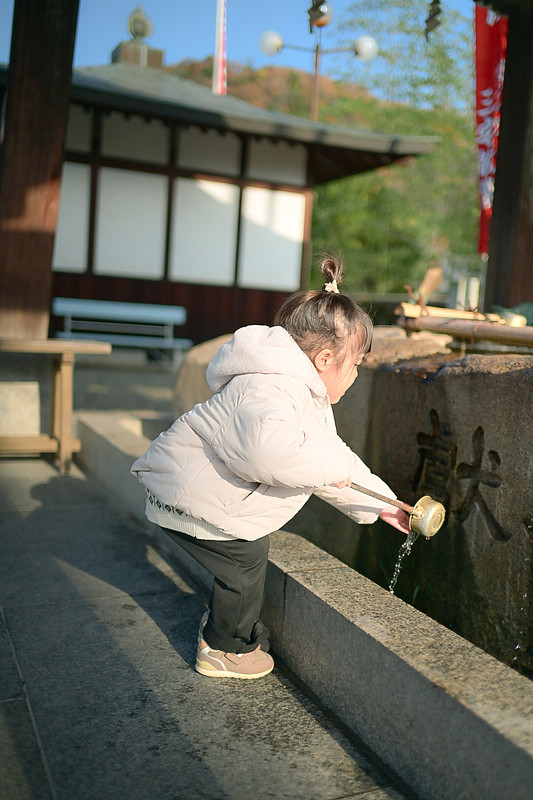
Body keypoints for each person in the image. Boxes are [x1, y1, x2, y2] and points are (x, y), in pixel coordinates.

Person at [131, 257, 410, 680]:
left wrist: (383, 504)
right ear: (325, 359)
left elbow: (324, 459)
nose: (355, 375)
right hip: (187, 494)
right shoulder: (271, 387)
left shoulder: (293, 386)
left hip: (195, 489)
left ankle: (231, 630)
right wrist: (328, 466)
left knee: (243, 557)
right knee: (244, 563)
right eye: (356, 364)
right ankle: (224, 648)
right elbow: (269, 453)